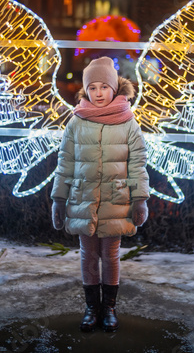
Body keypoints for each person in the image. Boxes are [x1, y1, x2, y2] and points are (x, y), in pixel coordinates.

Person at [51, 56, 149, 333]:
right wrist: (58, 200)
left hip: (116, 201)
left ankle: (109, 308)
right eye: (92, 87)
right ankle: (91, 307)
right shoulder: (76, 122)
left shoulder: (128, 122)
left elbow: (137, 163)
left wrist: (140, 198)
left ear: (115, 88)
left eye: (103, 87)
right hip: (82, 199)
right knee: (87, 254)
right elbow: (65, 162)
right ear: (85, 90)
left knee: (111, 254)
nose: (98, 93)